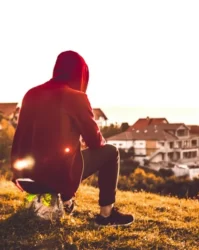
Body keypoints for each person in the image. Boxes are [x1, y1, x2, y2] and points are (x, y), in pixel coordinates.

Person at [10, 50, 134, 226]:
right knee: (111, 152)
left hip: (25, 177)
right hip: (55, 176)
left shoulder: (31, 94)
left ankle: (63, 199)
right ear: (81, 74)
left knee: (62, 157)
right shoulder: (77, 97)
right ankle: (106, 215)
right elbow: (95, 142)